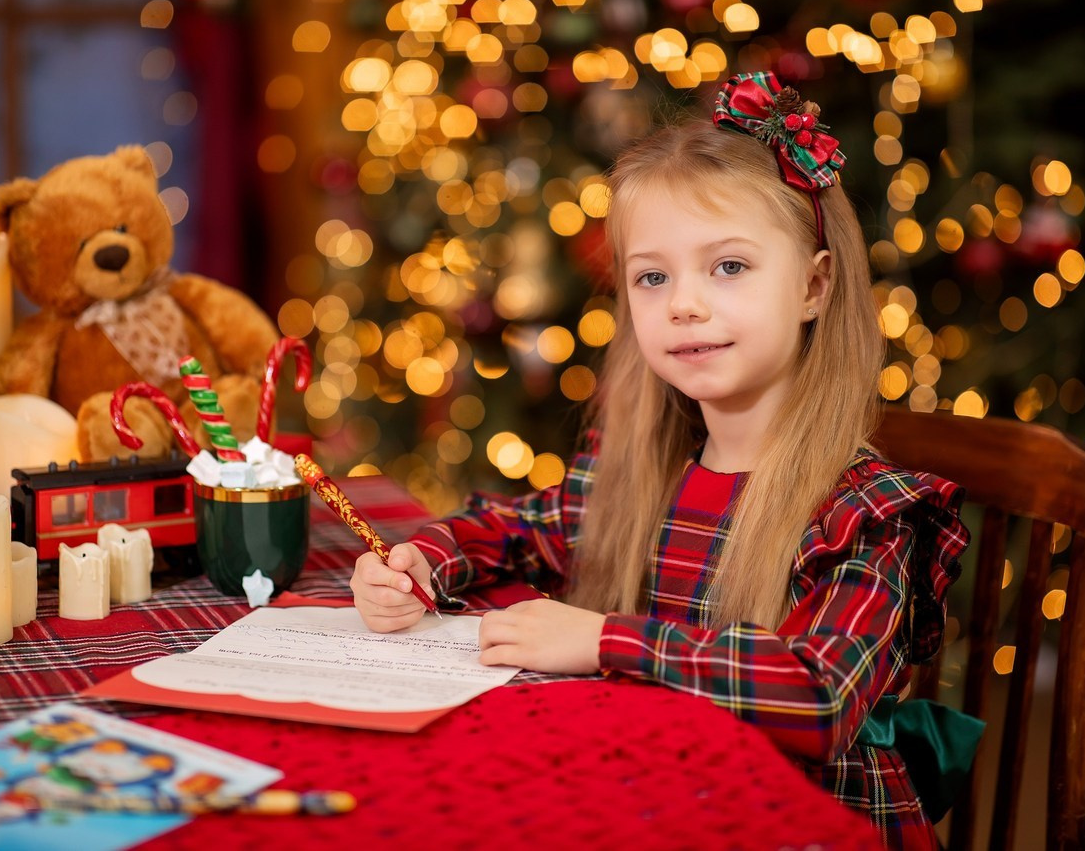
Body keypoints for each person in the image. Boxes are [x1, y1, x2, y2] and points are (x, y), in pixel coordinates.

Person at [350, 72, 973, 848]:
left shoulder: (867, 513)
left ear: (814, 287)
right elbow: (508, 530)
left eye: (729, 267)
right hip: (656, 806)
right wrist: (421, 561)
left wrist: (604, 639)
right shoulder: (640, 474)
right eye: (653, 276)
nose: (683, 303)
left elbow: (815, 696)